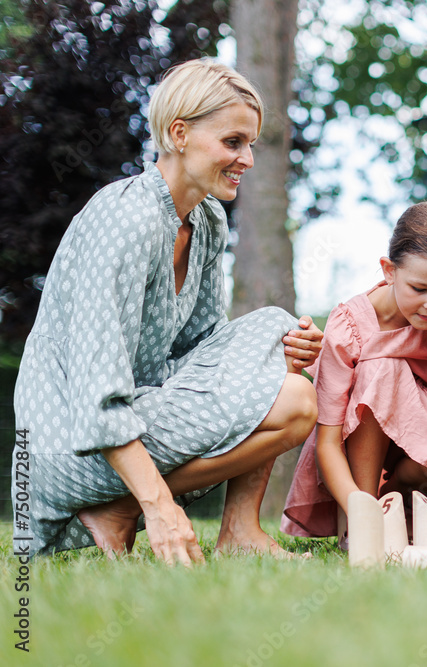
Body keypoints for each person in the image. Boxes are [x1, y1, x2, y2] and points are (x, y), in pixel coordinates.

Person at [13, 59, 323, 565]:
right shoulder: (126, 219)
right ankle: (125, 504)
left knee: (278, 338)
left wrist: (285, 349)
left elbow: (201, 351)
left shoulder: (206, 221)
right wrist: (158, 506)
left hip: (144, 414)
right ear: (178, 133)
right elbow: (96, 394)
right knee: (290, 397)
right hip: (66, 445)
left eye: (250, 144)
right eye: (232, 142)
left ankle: (233, 528)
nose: (247, 158)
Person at [280, 202, 427, 540]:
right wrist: (358, 507)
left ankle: (393, 504)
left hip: (424, 438)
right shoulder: (348, 327)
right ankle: (361, 520)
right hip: (356, 444)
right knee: (382, 368)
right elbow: (328, 443)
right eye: (419, 289)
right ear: (389, 271)